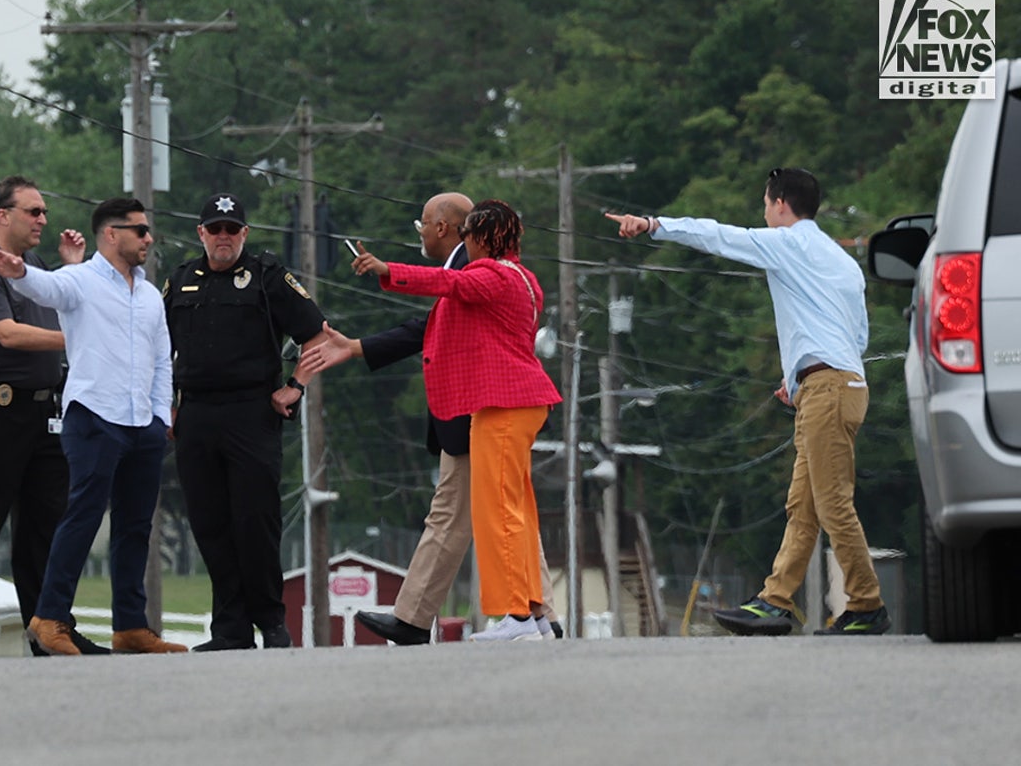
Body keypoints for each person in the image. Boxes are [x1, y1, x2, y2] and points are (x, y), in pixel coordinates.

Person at [608, 167, 888, 636]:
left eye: (765, 203)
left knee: (833, 504)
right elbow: (854, 336)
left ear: (780, 203)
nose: (764, 212)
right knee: (804, 507)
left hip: (827, 392)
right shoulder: (842, 262)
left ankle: (867, 605)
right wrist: (800, 379)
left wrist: (655, 224)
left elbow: (718, 236)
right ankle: (774, 601)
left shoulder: (787, 245)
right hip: (838, 386)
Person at [302, 192, 564, 644]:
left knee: (497, 513)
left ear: (478, 236)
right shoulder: (523, 277)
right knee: (512, 510)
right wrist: (361, 345)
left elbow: (454, 287)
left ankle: (517, 619)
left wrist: (388, 271)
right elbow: (447, 318)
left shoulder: (485, 272)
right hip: (510, 403)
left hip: (497, 404)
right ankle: (535, 616)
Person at [0, 197, 185, 655]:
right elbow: (46, 288)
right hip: (95, 418)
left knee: (136, 527)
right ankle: (49, 617)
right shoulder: (81, 280)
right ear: (111, 234)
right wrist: (19, 272)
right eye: (139, 231)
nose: (148, 239)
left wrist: (160, 416)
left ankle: (131, 626)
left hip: (142, 424)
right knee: (82, 517)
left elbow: (161, 361)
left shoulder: (152, 295)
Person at [163, 192, 326, 652]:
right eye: (214, 228)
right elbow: (156, 348)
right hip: (195, 414)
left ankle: (272, 623)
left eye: (232, 229)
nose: (223, 237)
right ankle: (230, 630)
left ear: (244, 233)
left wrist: (295, 385)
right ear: (201, 233)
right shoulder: (180, 281)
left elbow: (317, 334)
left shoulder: (267, 277)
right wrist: (166, 404)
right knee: (210, 524)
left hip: (251, 413)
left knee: (255, 522)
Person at [0, 176, 102, 657]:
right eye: (33, 211)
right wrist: (79, 341)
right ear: (2, 216)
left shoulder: (32, 266)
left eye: (44, 211)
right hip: (1, 409)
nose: (43, 219)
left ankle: (51, 630)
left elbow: (62, 309)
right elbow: (8, 335)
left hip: (45, 413)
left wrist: (72, 270)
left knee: (44, 530)